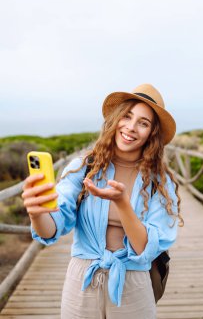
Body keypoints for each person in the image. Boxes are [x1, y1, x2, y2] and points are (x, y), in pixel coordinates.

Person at [22, 83, 183, 319]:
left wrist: (122, 203)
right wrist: (37, 213)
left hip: (133, 282)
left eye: (143, 122)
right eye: (127, 116)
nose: (131, 127)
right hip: (82, 279)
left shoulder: (160, 183)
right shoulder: (82, 167)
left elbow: (145, 250)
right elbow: (50, 230)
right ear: (115, 119)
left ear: (152, 133)